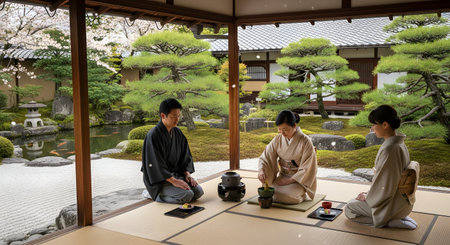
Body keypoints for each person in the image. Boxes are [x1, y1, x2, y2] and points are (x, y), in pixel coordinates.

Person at [344, 105, 417, 229]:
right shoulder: (399, 144)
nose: (372, 128)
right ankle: (397, 217)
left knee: (349, 208)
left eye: (374, 124)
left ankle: (387, 221)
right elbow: (387, 182)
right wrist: (369, 193)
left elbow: (386, 185)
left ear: (385, 125)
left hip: (393, 205)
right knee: (359, 200)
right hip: (404, 204)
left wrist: (368, 196)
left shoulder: (390, 149)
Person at [141, 98, 204, 204]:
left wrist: (187, 175)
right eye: (174, 116)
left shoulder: (178, 133)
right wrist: (173, 181)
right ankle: (156, 196)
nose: (177, 119)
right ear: (163, 115)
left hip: (176, 175)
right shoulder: (153, 135)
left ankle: (173, 191)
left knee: (198, 192)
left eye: (178, 116)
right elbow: (156, 164)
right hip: (160, 181)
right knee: (187, 195)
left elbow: (185, 156)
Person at [258, 110, 317, 204]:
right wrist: (261, 170)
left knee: (287, 196)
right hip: (283, 176)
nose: (282, 133)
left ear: (294, 126)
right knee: (269, 191)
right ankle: (294, 194)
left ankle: (301, 195)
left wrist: (289, 181)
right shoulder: (277, 139)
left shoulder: (305, 141)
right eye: (279, 129)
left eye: (285, 129)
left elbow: (308, 167)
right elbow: (266, 156)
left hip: (298, 179)